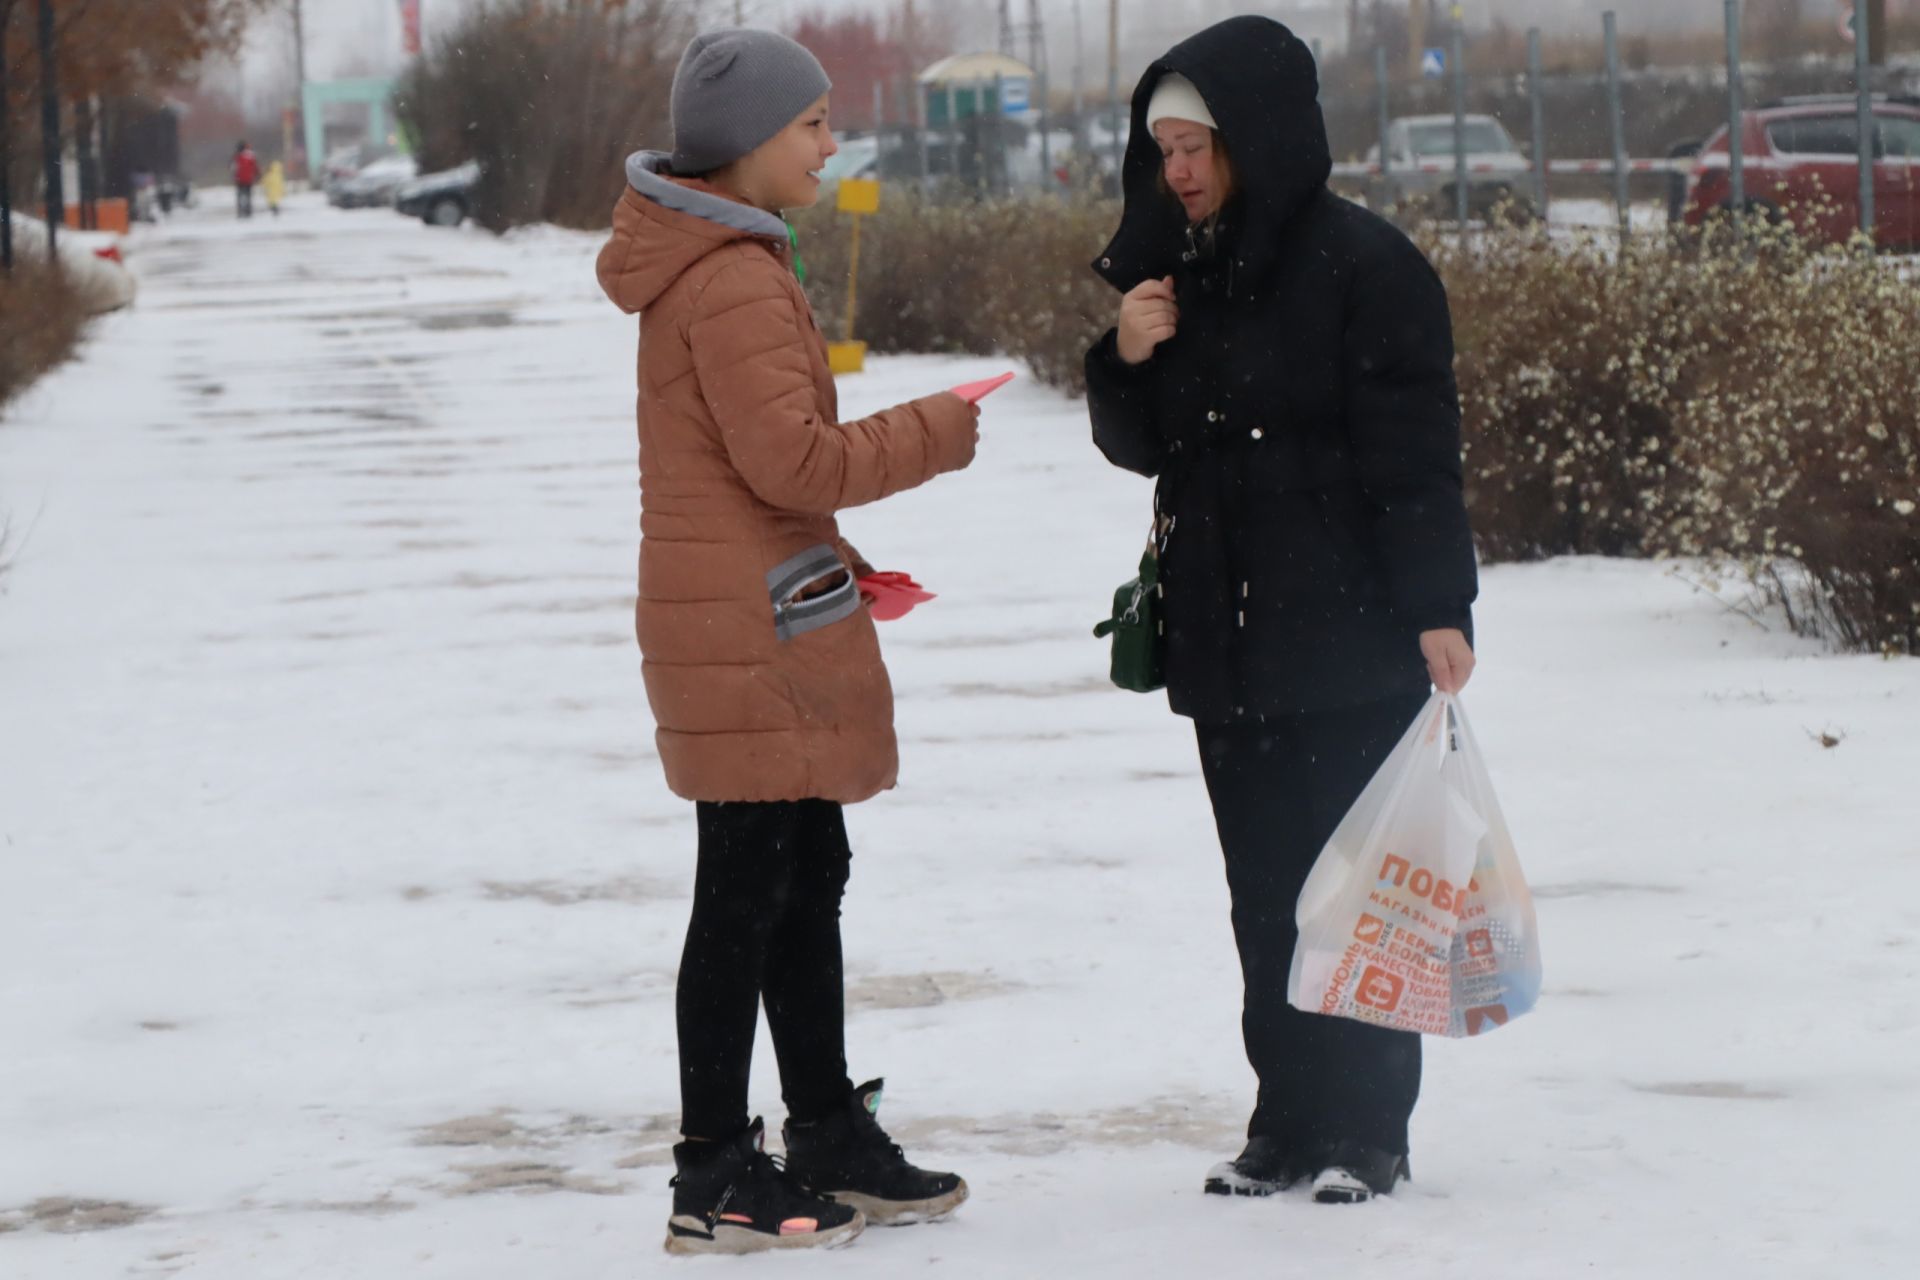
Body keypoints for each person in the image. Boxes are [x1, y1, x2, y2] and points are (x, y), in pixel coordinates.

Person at [595, 27, 979, 1257]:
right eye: (811, 125)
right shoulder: (729, 276)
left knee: (803, 877)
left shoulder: (729, 257)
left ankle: (822, 1127)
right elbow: (793, 460)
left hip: (757, 608)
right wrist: (932, 429)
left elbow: (749, 483)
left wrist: (846, 571)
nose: (830, 144)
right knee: (748, 891)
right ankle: (712, 1172)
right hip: (738, 633)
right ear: (749, 142)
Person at [1085, 16, 1480, 1206]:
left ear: (1258, 134)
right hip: (1229, 641)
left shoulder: (1368, 267)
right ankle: (1287, 1117)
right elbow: (1141, 448)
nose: (1182, 170)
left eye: (1199, 142)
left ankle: (1370, 1128)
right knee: (1264, 892)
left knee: (1357, 892)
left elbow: (1416, 457)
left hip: (1352, 638)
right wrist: (1125, 357)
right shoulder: (1178, 276)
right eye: (1163, 148)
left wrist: (1437, 606)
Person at [232, 142, 259, 219]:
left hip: (239, 180)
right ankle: (248, 212)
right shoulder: (251, 156)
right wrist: (257, 175)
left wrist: (234, 176)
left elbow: (233, 167)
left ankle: (240, 212)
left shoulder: (237, 156)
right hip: (248, 179)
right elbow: (255, 166)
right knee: (248, 196)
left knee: (240, 197)